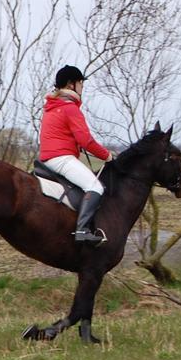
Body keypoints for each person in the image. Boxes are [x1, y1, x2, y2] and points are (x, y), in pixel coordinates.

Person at [39, 65, 114, 244]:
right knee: (96, 187)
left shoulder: (51, 107)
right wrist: (107, 156)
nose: (82, 88)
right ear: (72, 84)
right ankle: (82, 231)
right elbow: (86, 141)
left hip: (48, 158)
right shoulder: (69, 108)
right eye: (81, 83)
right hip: (61, 159)